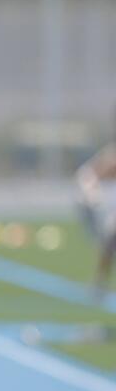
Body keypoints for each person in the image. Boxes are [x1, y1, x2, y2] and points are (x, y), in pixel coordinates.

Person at [76, 114, 116, 298]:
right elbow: (87, 176)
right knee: (109, 240)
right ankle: (99, 283)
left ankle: (98, 283)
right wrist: (93, 197)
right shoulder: (109, 157)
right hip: (104, 206)